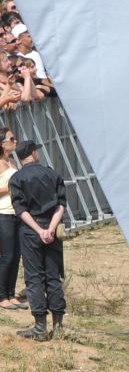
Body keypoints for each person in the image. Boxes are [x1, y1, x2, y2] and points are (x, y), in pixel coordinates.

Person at [8, 138, 67, 340]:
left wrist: (39, 229)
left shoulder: (16, 179)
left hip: (30, 231)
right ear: (34, 153)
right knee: (53, 276)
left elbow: (20, 210)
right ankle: (58, 326)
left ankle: (40, 327)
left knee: (34, 278)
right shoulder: (52, 174)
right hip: (52, 230)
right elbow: (61, 204)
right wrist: (50, 228)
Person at [0, 128, 21, 308]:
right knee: (6, 256)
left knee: (16, 256)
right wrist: (9, 188)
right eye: (11, 138)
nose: (15, 141)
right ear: (2, 144)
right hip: (3, 213)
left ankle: (11, 293)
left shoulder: (13, 162)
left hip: (17, 213)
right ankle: (2, 296)